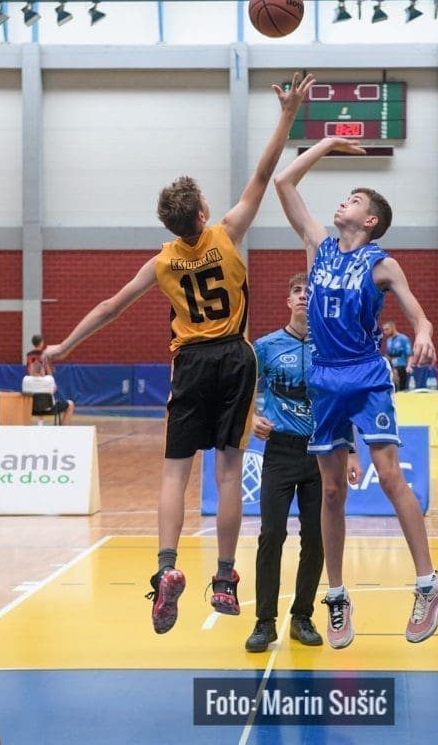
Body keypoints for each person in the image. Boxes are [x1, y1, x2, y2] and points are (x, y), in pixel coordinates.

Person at [42, 72, 314, 635]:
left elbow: (111, 306)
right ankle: (224, 578)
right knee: (229, 472)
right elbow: (264, 173)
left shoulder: (162, 261)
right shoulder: (227, 232)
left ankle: (166, 566)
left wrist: (64, 344)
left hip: (189, 361)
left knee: (174, 474)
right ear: (203, 214)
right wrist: (287, 115)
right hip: (235, 358)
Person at [275, 135, 438, 648]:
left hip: (367, 373)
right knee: (331, 491)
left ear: (370, 219)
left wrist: (423, 333)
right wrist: (327, 142)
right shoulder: (318, 245)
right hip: (325, 376)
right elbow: (284, 181)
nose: (342, 203)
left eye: (353, 199)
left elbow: (418, 314)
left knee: (390, 475)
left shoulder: (382, 264)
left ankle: (429, 583)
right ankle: (336, 595)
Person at [246, 272, 326, 653]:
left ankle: (302, 616)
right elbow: (242, 386)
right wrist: (251, 418)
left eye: (309, 292)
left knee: (316, 537)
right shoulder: (265, 346)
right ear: (288, 301)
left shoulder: (330, 347)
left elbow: (343, 398)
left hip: (320, 452)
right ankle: (264, 622)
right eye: (297, 291)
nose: (303, 296)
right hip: (279, 452)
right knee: (272, 534)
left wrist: (353, 451)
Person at [21, 359, 75, 425]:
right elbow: (54, 389)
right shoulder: (49, 379)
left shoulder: (25, 380)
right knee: (70, 404)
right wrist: (48, 370)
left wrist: (36, 370)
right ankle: (63, 429)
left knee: (37, 400)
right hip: (49, 409)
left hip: (30, 409)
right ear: (42, 370)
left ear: (31, 370)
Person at [382, 320, 413, 391]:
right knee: (394, 390)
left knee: (403, 390)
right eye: (384, 330)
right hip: (393, 369)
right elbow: (389, 356)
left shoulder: (403, 339)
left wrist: (409, 366)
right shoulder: (389, 341)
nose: (385, 332)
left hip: (402, 368)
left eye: (387, 329)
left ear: (393, 327)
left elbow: (410, 354)